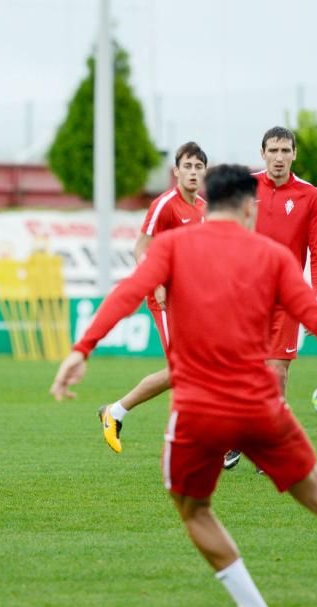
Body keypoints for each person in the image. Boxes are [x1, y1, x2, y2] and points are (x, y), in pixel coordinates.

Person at [50, 164, 317, 607]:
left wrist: (82, 350)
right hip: (262, 406)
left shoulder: (172, 247)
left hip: (198, 412)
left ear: (207, 200)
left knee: (194, 508)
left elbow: (127, 294)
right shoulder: (271, 255)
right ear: (249, 206)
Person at [222, 126, 317, 471]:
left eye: (285, 151)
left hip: (287, 297)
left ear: (294, 154)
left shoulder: (310, 196)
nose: (279, 157)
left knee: (277, 372)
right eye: (273, 151)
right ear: (263, 153)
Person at [97, 141, 207, 454]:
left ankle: (115, 412)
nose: (193, 172)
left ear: (205, 172)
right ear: (176, 171)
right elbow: (140, 248)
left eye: (198, 167)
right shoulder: (165, 204)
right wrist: (157, 283)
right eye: (187, 166)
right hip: (165, 298)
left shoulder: (202, 208)